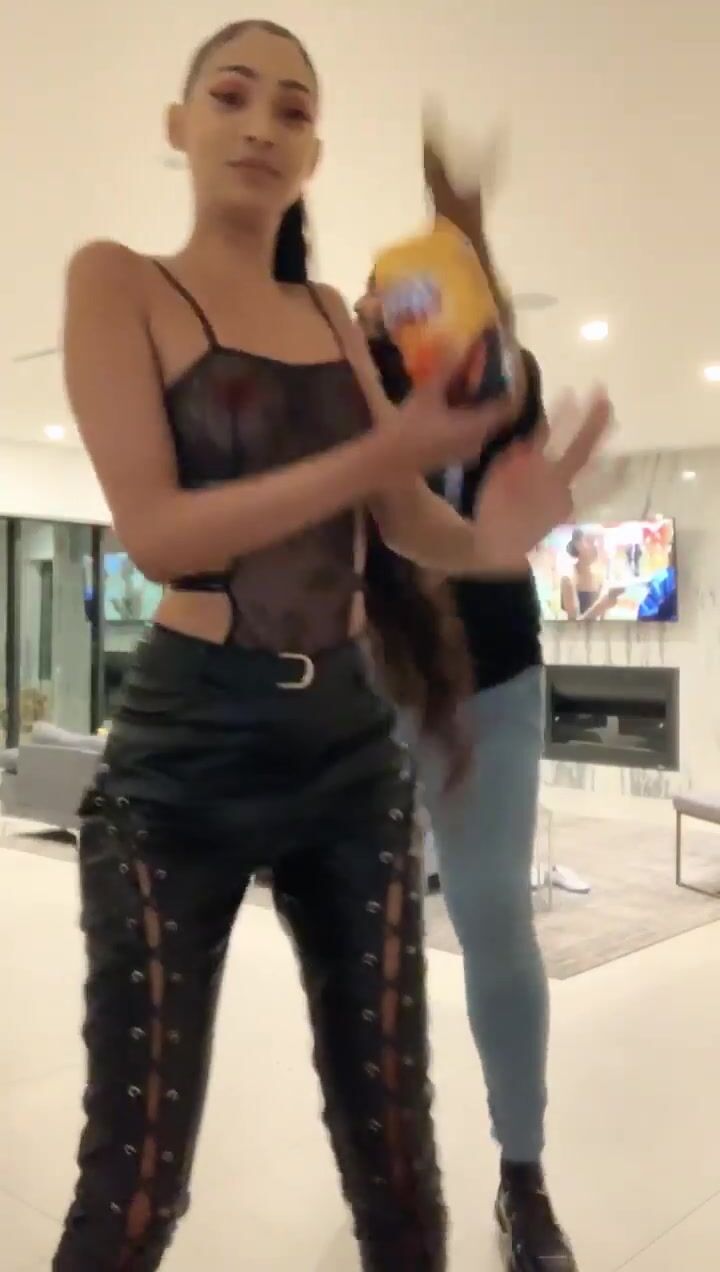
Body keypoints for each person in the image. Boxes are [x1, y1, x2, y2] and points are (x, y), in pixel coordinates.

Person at [55, 19, 609, 1272]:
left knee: (402, 1184)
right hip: (187, 750)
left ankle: (519, 1181)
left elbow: (409, 516)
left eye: (294, 109)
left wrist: (498, 536)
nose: (261, 124)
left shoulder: (326, 313)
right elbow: (155, 532)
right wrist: (384, 458)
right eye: (231, 95)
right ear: (179, 124)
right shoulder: (118, 281)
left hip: (348, 745)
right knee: (132, 1195)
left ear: (314, 152)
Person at [357, 136, 598, 1271]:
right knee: (365, 930)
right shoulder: (357, 384)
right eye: (388, 294)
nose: (406, 307)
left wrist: (462, 227)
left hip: (495, 672)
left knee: (494, 912)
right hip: (376, 679)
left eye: (429, 292)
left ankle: (523, 1177)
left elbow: (486, 339)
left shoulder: (505, 383)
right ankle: (388, 1164)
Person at [561, 527, 622, 620]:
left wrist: (607, 605)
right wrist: (602, 606)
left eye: (599, 540)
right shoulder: (568, 579)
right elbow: (574, 625)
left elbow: (602, 622)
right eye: (590, 540)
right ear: (577, 544)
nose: (596, 546)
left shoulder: (600, 579)